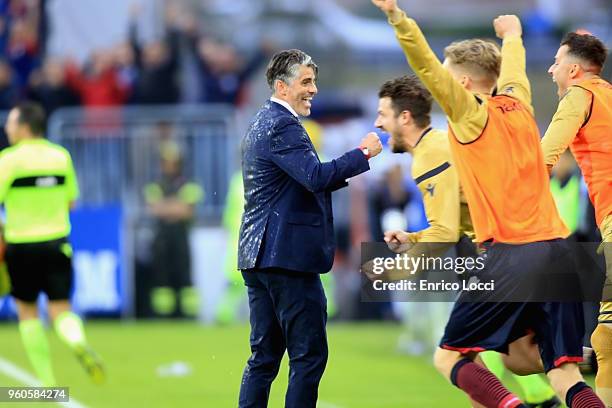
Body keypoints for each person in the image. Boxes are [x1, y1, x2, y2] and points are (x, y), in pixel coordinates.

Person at [371, 1, 604, 407]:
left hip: (512, 253)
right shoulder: (519, 104)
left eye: (446, 73)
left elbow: (424, 65)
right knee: (546, 368)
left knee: (449, 357)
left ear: (461, 82)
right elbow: (513, 70)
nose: (438, 80)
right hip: (557, 251)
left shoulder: (468, 114)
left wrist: (397, 16)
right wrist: (512, 35)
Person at [376, 74, 561, 407]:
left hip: (502, 258)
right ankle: (600, 358)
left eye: (383, 115)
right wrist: (413, 236)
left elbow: (445, 231)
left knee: (450, 357)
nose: (378, 123)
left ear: (404, 117)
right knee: (519, 358)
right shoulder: (444, 143)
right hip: (527, 248)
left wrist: (396, 270)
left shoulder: (429, 154)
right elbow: (456, 220)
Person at [237, 49, 381, 408]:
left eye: (313, 81)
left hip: (259, 258)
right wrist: (362, 154)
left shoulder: (260, 121)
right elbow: (314, 177)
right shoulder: (283, 125)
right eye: (306, 81)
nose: (313, 89)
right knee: (308, 354)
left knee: (264, 357)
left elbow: (299, 181)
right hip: (287, 258)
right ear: (282, 87)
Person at [0, 102, 104, 386]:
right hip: (58, 241)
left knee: (27, 311)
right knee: (61, 310)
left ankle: (46, 382)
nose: (7, 128)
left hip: (21, 243)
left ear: (24, 126)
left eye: (10, 122)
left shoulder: (9, 159)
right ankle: (77, 341)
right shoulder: (61, 156)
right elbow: (71, 201)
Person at [541, 31, 611, 405]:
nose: (551, 69)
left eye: (555, 62)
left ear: (572, 69)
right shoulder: (608, 94)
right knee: (605, 337)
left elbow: (543, 159)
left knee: (606, 336)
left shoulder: (579, 95)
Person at [143, 141, 203, 318]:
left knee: (184, 277)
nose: (170, 166)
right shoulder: (156, 184)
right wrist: (176, 206)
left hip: (180, 237)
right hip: (161, 239)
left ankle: (188, 315)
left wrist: (166, 207)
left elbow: (187, 210)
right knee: (162, 279)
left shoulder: (188, 183)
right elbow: (154, 209)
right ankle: (163, 315)